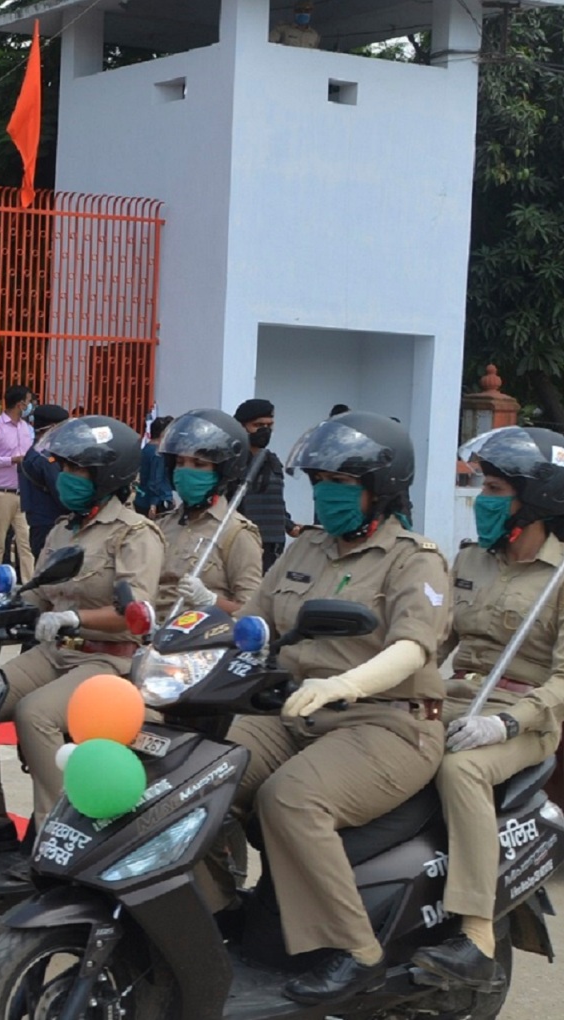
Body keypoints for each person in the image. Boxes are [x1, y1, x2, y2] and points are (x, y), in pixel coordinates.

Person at [220, 411, 448, 1004]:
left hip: (388, 722)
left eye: (341, 484)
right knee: (203, 773)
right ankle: (219, 912)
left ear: (383, 488)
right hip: (297, 710)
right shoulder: (309, 548)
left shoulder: (415, 558)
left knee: (289, 799)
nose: (326, 494)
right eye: (319, 481)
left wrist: (347, 682)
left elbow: (410, 648)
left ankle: (357, 950)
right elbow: (255, 621)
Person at [413, 427, 564, 990]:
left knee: (459, 769)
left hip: (524, 717)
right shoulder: (469, 560)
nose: (483, 499)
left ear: (534, 502)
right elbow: (435, 643)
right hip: (458, 699)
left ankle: (474, 934)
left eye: (494, 488)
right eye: (482, 486)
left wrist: (504, 722)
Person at [5, 416, 163, 822]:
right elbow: (37, 594)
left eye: (78, 469)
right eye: (65, 467)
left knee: (35, 713)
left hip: (105, 658)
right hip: (54, 652)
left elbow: (136, 614)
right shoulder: (62, 530)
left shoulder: (135, 533)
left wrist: (74, 617)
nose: (66, 477)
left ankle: (58, 825)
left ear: (107, 475)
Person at [155, 409, 263, 615]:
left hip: (200, 640)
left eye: (199, 464)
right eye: (179, 463)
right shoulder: (161, 526)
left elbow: (252, 613)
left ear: (222, 471)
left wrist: (210, 600)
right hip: (152, 637)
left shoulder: (236, 533)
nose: (186, 470)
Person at [0, 385, 37, 578]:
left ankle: (29, 587)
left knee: (26, 544)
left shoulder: (27, 428)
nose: (30, 406)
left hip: (23, 493)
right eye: (28, 402)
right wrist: (11, 460)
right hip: (1, 493)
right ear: (20, 404)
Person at [235, 398, 291, 571]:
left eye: (269, 425)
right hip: (242, 542)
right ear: (241, 426)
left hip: (272, 544)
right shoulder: (232, 461)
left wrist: (290, 525)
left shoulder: (272, 461)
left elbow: (276, 501)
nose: (265, 431)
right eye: (258, 425)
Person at [19, 403, 71, 561]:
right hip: (48, 523)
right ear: (53, 427)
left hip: (43, 521)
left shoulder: (39, 452)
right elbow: (60, 492)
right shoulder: (43, 459)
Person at [135, 415, 176, 518]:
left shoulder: (145, 449)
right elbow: (155, 479)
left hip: (142, 498)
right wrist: (153, 503)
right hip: (157, 502)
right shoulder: (158, 454)